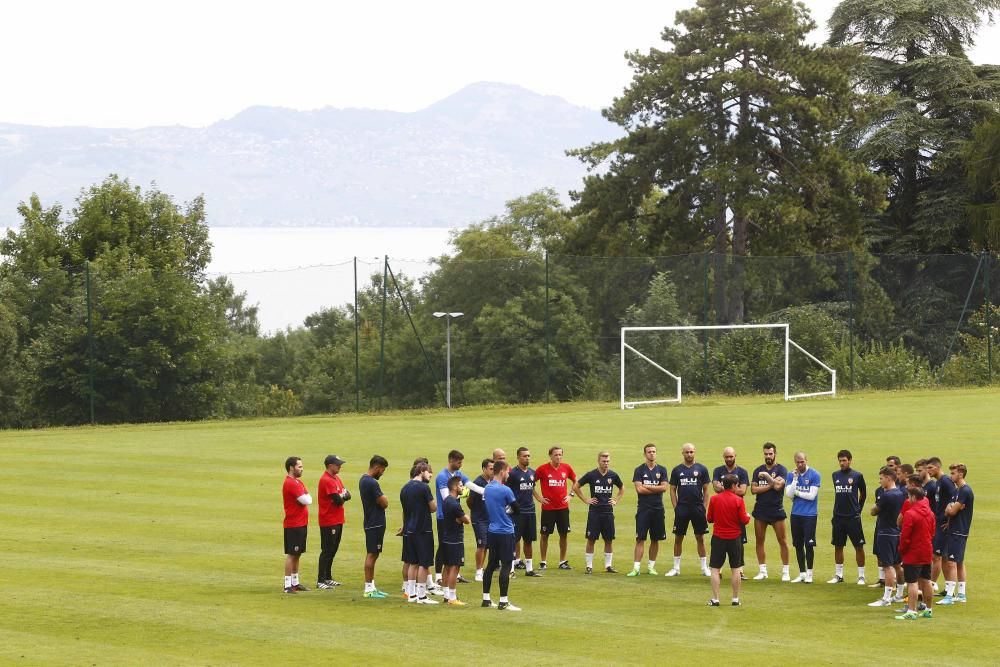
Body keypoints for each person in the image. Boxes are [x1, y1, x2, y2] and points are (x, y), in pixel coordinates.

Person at [573, 451, 625, 574]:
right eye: (603, 461)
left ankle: (608, 566)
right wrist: (586, 499)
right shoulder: (591, 475)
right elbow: (576, 487)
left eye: (608, 461)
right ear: (598, 461)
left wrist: (616, 500)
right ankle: (589, 566)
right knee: (591, 539)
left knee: (609, 539)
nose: (606, 463)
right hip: (595, 512)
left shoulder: (613, 475)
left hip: (608, 512)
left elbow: (622, 487)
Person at [665, 442, 711, 577]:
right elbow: (672, 490)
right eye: (687, 452)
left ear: (694, 452)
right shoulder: (677, 470)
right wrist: (676, 507)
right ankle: (676, 568)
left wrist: (704, 507)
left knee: (700, 538)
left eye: (691, 452)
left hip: (698, 508)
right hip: (682, 508)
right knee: (678, 538)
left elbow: (707, 490)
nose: (689, 454)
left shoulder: (702, 469)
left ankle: (704, 568)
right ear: (682, 453)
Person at [482, 460, 522, 610]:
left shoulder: (487, 488)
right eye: (507, 471)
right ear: (502, 471)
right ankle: (503, 601)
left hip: (492, 531)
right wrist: (509, 510)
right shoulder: (506, 490)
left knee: (491, 564)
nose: (509, 474)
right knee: (506, 565)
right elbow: (517, 509)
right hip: (505, 531)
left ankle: (486, 599)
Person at [706, 474, 751, 606]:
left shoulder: (714, 499)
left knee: (715, 568)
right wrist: (748, 516)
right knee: (736, 568)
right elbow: (744, 520)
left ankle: (715, 599)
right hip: (734, 538)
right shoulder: (738, 500)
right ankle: (735, 599)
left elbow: (709, 518)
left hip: (719, 538)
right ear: (732, 485)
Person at [434, 450, 476, 588]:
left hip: (455, 514)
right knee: (444, 547)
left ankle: (453, 577)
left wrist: (484, 491)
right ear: (451, 460)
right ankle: (439, 576)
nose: (460, 464)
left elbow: (469, 484)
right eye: (459, 462)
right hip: (444, 516)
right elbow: (447, 497)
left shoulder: (458, 474)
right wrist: (463, 494)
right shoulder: (441, 476)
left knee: (450, 550)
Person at [749, 442, 790, 581]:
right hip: (760, 510)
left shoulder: (782, 470)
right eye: (766, 454)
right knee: (759, 541)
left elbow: (779, 486)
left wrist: (766, 476)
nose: (768, 456)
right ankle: (762, 571)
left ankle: (785, 571)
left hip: (776, 509)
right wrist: (770, 484)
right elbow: (753, 490)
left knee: (783, 541)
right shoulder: (757, 470)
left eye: (770, 454)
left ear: (775, 454)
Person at [895, 486, 935, 620]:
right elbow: (933, 531)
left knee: (912, 582)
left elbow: (905, 535)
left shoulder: (910, 514)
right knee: (927, 580)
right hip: (927, 550)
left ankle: (912, 611)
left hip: (913, 552)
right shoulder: (930, 513)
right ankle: (928, 609)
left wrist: (902, 549)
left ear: (913, 497)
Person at [400, 462, 438, 604]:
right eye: (429, 473)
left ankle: (411, 594)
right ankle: (421, 596)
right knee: (424, 563)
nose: (430, 476)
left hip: (409, 530)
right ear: (422, 471)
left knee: (412, 563)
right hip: (423, 530)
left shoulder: (404, 488)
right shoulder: (424, 488)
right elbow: (433, 508)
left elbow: (405, 511)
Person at [629, 443, 669, 576]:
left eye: (654, 451)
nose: (652, 453)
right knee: (640, 539)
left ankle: (651, 566)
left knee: (655, 539)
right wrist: (655, 488)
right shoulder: (639, 470)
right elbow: (639, 489)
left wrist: (647, 486)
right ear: (644, 454)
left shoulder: (662, 470)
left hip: (658, 509)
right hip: (643, 509)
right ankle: (636, 568)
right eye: (649, 452)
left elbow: (664, 488)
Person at [867, 466, 905, 607]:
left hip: (885, 532)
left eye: (881, 478)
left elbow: (873, 511)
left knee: (887, 566)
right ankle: (899, 594)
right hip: (897, 532)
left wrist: (874, 507)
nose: (880, 481)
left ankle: (887, 598)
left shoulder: (886, 495)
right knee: (897, 565)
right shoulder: (901, 493)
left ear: (889, 478)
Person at [536, 445, 577, 570]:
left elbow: (576, 481)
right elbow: (530, 483)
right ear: (550, 455)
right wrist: (539, 498)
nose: (558, 457)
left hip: (562, 508)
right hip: (548, 508)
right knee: (544, 535)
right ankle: (543, 561)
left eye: (560, 454)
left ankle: (562, 561)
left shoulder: (566, 468)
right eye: (556, 455)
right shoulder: (542, 469)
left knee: (563, 534)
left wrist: (571, 494)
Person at [828, 449, 867, 585]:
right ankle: (839, 575)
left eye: (844, 460)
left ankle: (861, 576)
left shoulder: (857, 476)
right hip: (838, 517)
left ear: (850, 460)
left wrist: (858, 510)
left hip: (853, 517)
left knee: (858, 546)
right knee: (838, 546)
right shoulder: (835, 475)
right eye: (840, 461)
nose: (842, 463)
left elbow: (863, 494)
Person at [711, 447, 749, 579]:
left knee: (740, 542)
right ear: (723, 457)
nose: (729, 459)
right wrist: (732, 489)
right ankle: (719, 570)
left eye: (731, 456)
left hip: (737, 510)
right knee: (721, 541)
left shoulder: (742, 472)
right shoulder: (718, 470)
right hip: (723, 510)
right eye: (726, 457)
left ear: (735, 456)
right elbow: (715, 487)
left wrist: (724, 488)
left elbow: (743, 491)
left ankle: (740, 570)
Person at [939, 463, 974, 605]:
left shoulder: (965, 491)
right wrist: (951, 513)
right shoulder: (956, 491)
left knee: (952, 562)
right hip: (955, 528)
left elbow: (951, 511)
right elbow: (952, 509)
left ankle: (949, 596)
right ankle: (961, 594)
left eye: (953, 473)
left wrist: (950, 510)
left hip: (959, 531)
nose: (951, 475)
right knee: (959, 562)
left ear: (961, 474)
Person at [785, 451, 820, 583]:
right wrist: (794, 479)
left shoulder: (814, 474)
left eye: (802, 462)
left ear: (806, 460)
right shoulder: (791, 475)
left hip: (810, 515)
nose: (800, 464)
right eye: (798, 462)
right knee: (798, 544)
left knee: (809, 544)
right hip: (796, 514)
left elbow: (811, 496)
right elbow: (788, 494)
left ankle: (810, 573)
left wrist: (797, 492)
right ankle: (802, 573)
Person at [316, 454, 350, 589]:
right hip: (328, 520)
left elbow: (348, 494)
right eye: (338, 464)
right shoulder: (326, 480)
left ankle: (328, 577)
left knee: (333, 549)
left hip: (337, 519)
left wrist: (342, 495)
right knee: (327, 550)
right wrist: (342, 495)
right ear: (330, 466)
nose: (340, 466)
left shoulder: (336, 478)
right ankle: (320, 580)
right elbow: (338, 499)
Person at [506, 446, 541, 576]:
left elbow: (531, 488)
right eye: (525, 456)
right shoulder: (513, 473)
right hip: (517, 512)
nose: (527, 458)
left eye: (528, 456)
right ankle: (511, 569)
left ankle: (529, 569)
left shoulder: (532, 472)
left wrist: (538, 498)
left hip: (530, 511)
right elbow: (507, 491)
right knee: (514, 540)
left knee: (529, 540)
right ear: (518, 457)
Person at [359, 455, 390, 599]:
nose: (382, 473)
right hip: (375, 523)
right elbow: (384, 503)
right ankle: (368, 589)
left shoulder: (363, 480)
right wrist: (385, 498)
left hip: (371, 522)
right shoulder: (371, 483)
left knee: (374, 553)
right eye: (382, 470)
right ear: (377, 467)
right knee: (372, 554)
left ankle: (372, 587)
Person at [282, 456, 312, 594]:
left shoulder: (298, 482)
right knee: (292, 554)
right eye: (299, 466)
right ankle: (287, 585)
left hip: (300, 523)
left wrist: (306, 496)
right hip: (293, 524)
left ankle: (295, 582)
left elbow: (308, 498)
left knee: (297, 553)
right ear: (291, 468)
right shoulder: (291, 483)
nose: (302, 469)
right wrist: (305, 496)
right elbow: (306, 499)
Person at [440, 476, 471, 606]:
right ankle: (452, 597)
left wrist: (460, 519)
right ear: (454, 487)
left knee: (447, 566)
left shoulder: (446, 500)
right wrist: (464, 518)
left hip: (446, 538)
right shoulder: (454, 504)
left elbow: (460, 519)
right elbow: (467, 520)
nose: (462, 488)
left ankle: (446, 595)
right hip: (455, 539)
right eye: (460, 485)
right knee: (455, 567)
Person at [926, 456, 955, 591]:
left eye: (930, 468)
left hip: (944, 524)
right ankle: (948, 590)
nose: (928, 470)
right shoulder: (938, 482)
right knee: (943, 557)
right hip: (938, 523)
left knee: (936, 556)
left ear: (938, 467)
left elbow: (955, 500)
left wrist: (950, 521)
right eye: (927, 468)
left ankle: (929, 587)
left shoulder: (946, 482)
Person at [467, 458, 494, 582]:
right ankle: (478, 571)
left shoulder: (493, 481)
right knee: (481, 544)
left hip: (490, 518)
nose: (493, 471)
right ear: (484, 469)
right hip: (479, 519)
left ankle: (482, 569)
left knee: (487, 545)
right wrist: (476, 512)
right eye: (491, 468)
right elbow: (469, 501)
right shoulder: (478, 482)